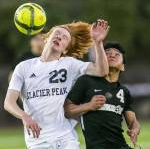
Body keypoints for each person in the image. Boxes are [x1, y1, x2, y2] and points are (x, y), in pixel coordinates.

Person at [4, 20, 109, 149]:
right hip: (38, 140)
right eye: (57, 33)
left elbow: (102, 71)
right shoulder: (23, 67)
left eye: (65, 37)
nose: (59, 36)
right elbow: (8, 103)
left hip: (65, 137)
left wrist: (98, 42)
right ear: (46, 39)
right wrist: (24, 116)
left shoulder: (69, 64)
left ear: (65, 49)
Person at [64, 42, 141, 149]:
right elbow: (67, 110)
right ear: (100, 61)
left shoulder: (124, 91)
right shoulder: (86, 81)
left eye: (117, 54)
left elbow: (133, 121)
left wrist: (135, 129)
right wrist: (89, 106)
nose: (112, 55)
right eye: (107, 53)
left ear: (123, 66)